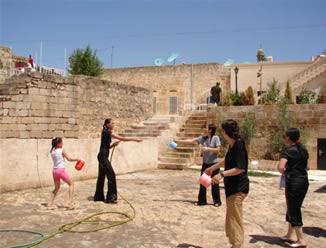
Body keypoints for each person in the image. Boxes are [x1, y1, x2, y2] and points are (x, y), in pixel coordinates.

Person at [205, 120, 249, 248]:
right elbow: (227, 160)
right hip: (231, 188)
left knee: (235, 218)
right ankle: (234, 243)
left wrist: (221, 174)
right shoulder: (232, 145)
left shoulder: (239, 145)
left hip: (238, 188)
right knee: (231, 217)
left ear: (225, 132)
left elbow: (240, 168)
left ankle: (236, 245)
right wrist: (213, 168)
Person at [94, 118, 143, 204]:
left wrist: (112, 145)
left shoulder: (104, 132)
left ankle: (99, 197)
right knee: (111, 175)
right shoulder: (108, 132)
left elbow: (105, 147)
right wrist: (135, 139)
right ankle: (111, 198)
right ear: (107, 124)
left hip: (101, 156)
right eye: (112, 123)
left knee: (101, 176)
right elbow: (122, 138)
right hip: (103, 157)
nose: (113, 125)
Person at [174, 124, 222, 207]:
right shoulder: (202, 138)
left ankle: (217, 201)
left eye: (206, 128)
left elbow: (218, 150)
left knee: (214, 183)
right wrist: (177, 141)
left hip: (214, 164)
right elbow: (191, 141)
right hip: (205, 164)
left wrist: (207, 148)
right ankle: (202, 201)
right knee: (203, 183)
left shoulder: (215, 138)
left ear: (210, 130)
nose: (204, 129)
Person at [278, 128, 309, 248]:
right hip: (304, 182)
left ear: (288, 138)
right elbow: (307, 166)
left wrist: (286, 174)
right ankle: (289, 235)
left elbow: (281, 167)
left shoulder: (288, 150)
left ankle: (301, 240)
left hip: (293, 183)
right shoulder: (303, 150)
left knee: (294, 209)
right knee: (293, 207)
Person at [48, 137, 81, 209]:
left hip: (54, 171)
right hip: (60, 170)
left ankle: (50, 204)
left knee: (56, 188)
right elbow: (69, 159)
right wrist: (77, 159)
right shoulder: (61, 150)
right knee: (71, 184)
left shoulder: (52, 151)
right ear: (58, 144)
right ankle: (69, 202)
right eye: (62, 142)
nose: (63, 143)